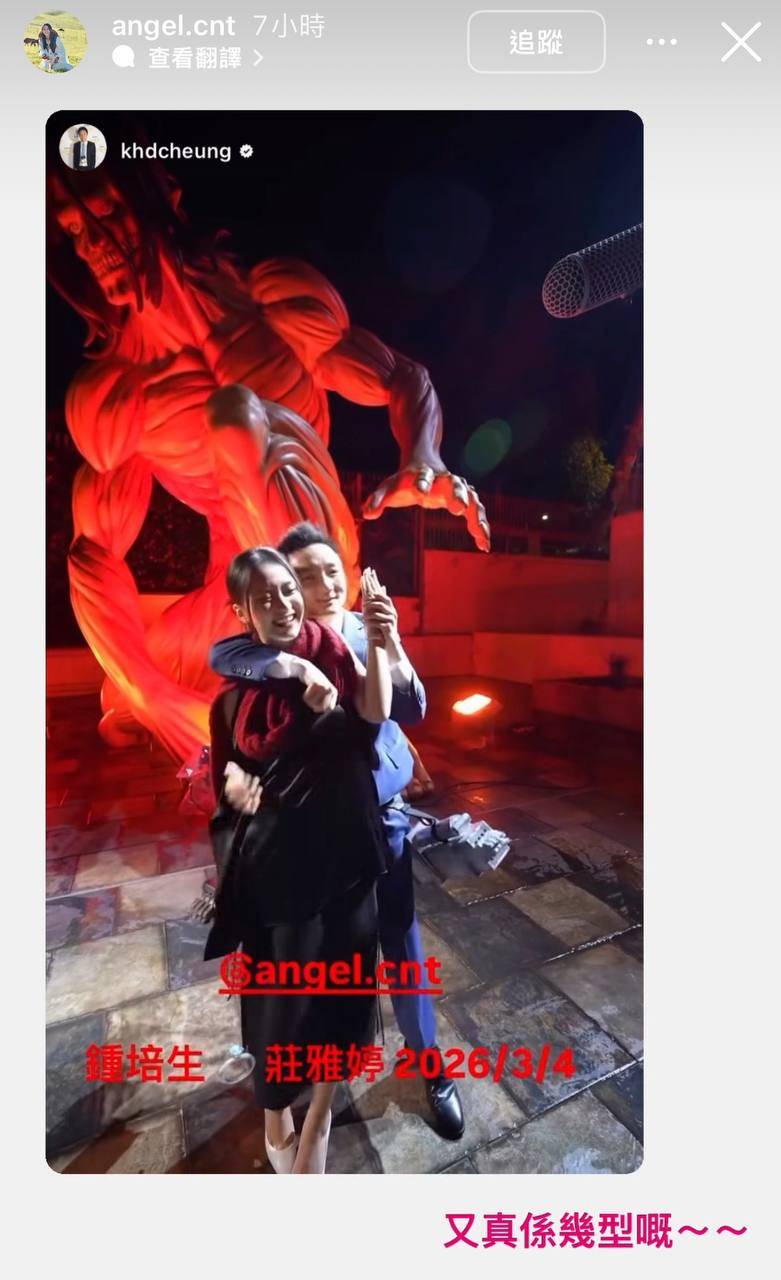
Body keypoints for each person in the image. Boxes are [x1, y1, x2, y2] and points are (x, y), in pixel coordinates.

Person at [210, 522, 465, 1140]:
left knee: (400, 942)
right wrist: (289, 669)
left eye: (332, 572)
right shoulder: (270, 645)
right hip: (312, 834)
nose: (323, 585)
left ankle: (427, 1062)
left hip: (381, 818)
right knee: (314, 957)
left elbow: (413, 706)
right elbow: (225, 662)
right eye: (303, 577)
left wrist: (389, 643)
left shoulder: (361, 628)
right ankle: (312, 1070)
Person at [205, 547, 393, 1174]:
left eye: (288, 589)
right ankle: (273, 1109)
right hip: (277, 873)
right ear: (243, 613)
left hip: (346, 863)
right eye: (265, 598)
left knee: (344, 994)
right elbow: (226, 774)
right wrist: (235, 784)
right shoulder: (234, 699)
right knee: (276, 1000)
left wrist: (377, 641)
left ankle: (318, 1119)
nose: (284, 603)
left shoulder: (335, 663)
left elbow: (374, 716)